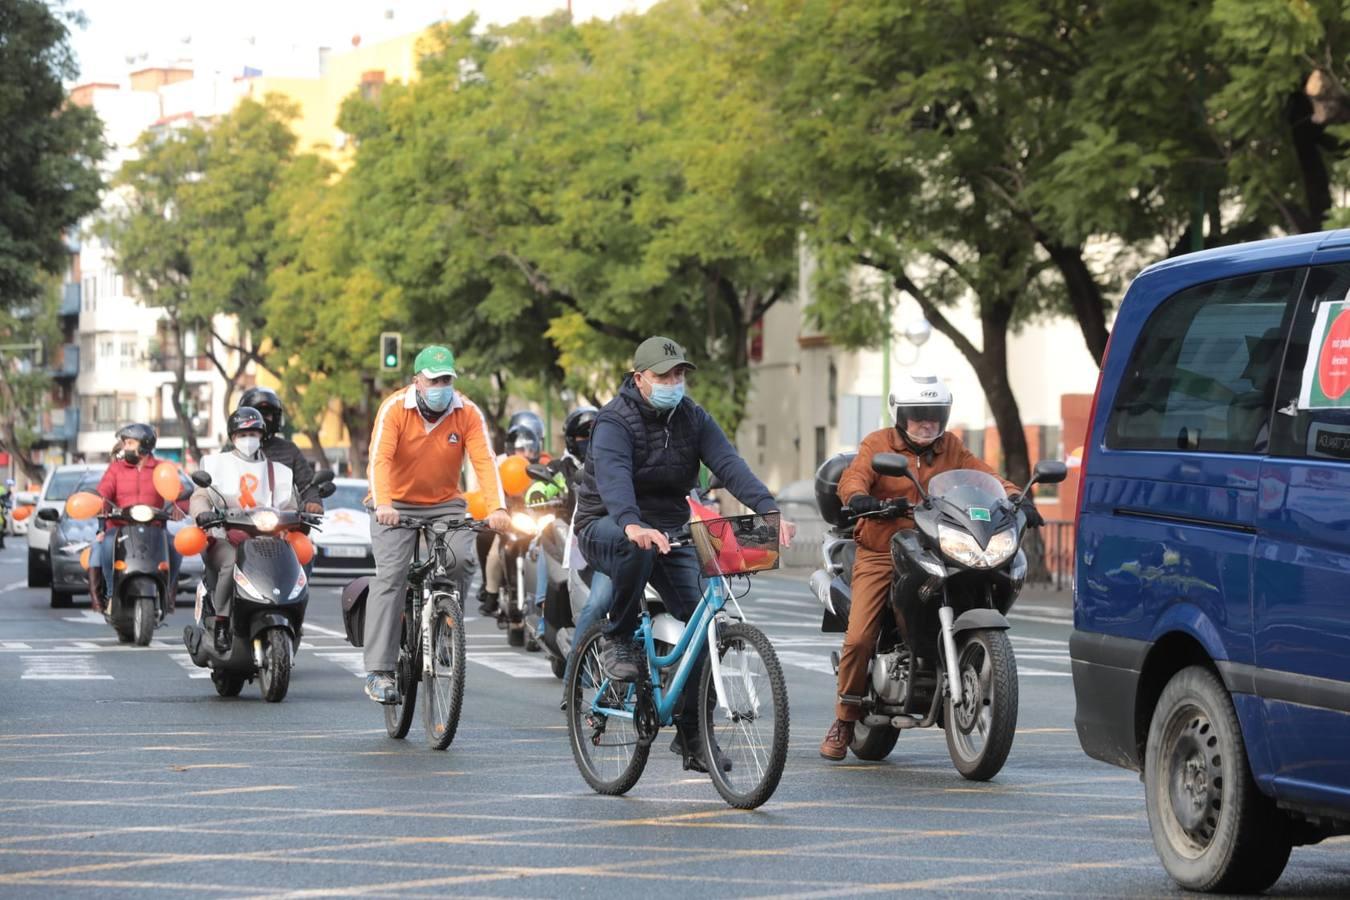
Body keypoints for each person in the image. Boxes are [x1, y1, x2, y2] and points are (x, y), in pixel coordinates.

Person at [570, 336, 795, 772]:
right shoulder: (615, 420)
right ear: (640, 379)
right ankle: (618, 637)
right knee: (633, 550)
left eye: (680, 375)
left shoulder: (693, 418)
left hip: (670, 527)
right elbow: (615, 480)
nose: (675, 382)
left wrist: (769, 510)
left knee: (703, 625)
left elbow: (728, 465)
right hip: (608, 522)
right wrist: (633, 524)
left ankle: (693, 738)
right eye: (664, 375)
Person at [818, 374, 1043, 761]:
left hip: (935, 543)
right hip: (882, 548)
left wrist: (1016, 498)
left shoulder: (950, 447)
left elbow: (984, 475)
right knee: (859, 637)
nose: (927, 423)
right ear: (900, 415)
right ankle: (844, 717)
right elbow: (855, 477)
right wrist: (858, 498)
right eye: (919, 415)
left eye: (935, 415)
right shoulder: (878, 444)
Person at [364, 345, 511, 704]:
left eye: (446, 379)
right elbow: (379, 460)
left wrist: (498, 508)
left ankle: (446, 629)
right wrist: (383, 503)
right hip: (394, 505)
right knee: (392, 576)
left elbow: (484, 462)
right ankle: (379, 671)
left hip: (445, 504)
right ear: (417, 380)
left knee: (460, 559)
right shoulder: (395, 408)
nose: (441, 386)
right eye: (433, 380)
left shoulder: (467, 412)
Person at [190, 407, 296, 653]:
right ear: (233, 436)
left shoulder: (278, 472)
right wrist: (202, 513)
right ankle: (221, 621)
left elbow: (291, 504)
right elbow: (199, 497)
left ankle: (292, 619)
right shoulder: (216, 465)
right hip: (225, 537)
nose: (249, 438)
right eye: (243, 433)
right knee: (230, 564)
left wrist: (300, 516)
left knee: (293, 566)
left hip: (266, 539)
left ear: (262, 435)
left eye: (254, 432)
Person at [90, 423, 181, 613]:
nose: (125, 448)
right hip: (119, 527)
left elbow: (178, 494)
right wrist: (100, 504)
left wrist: (178, 507)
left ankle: (168, 595)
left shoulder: (161, 468)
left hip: (155, 527)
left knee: (175, 547)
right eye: (125, 443)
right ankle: (112, 594)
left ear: (145, 445)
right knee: (106, 546)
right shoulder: (116, 469)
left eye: (130, 443)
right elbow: (103, 492)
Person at [475, 413, 543, 618]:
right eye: (520, 448)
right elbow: (487, 492)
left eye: (530, 448)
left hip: (535, 520)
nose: (525, 453)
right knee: (496, 550)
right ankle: (491, 593)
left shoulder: (542, 466)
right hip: (509, 519)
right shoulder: (498, 466)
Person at [237, 386, 326, 515]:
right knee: (200, 536)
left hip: (282, 522)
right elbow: (212, 488)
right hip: (236, 520)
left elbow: (307, 484)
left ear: (276, 417)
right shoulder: (230, 450)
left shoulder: (289, 450)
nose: (261, 419)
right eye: (255, 414)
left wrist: (313, 502)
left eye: (267, 414)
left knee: (301, 537)